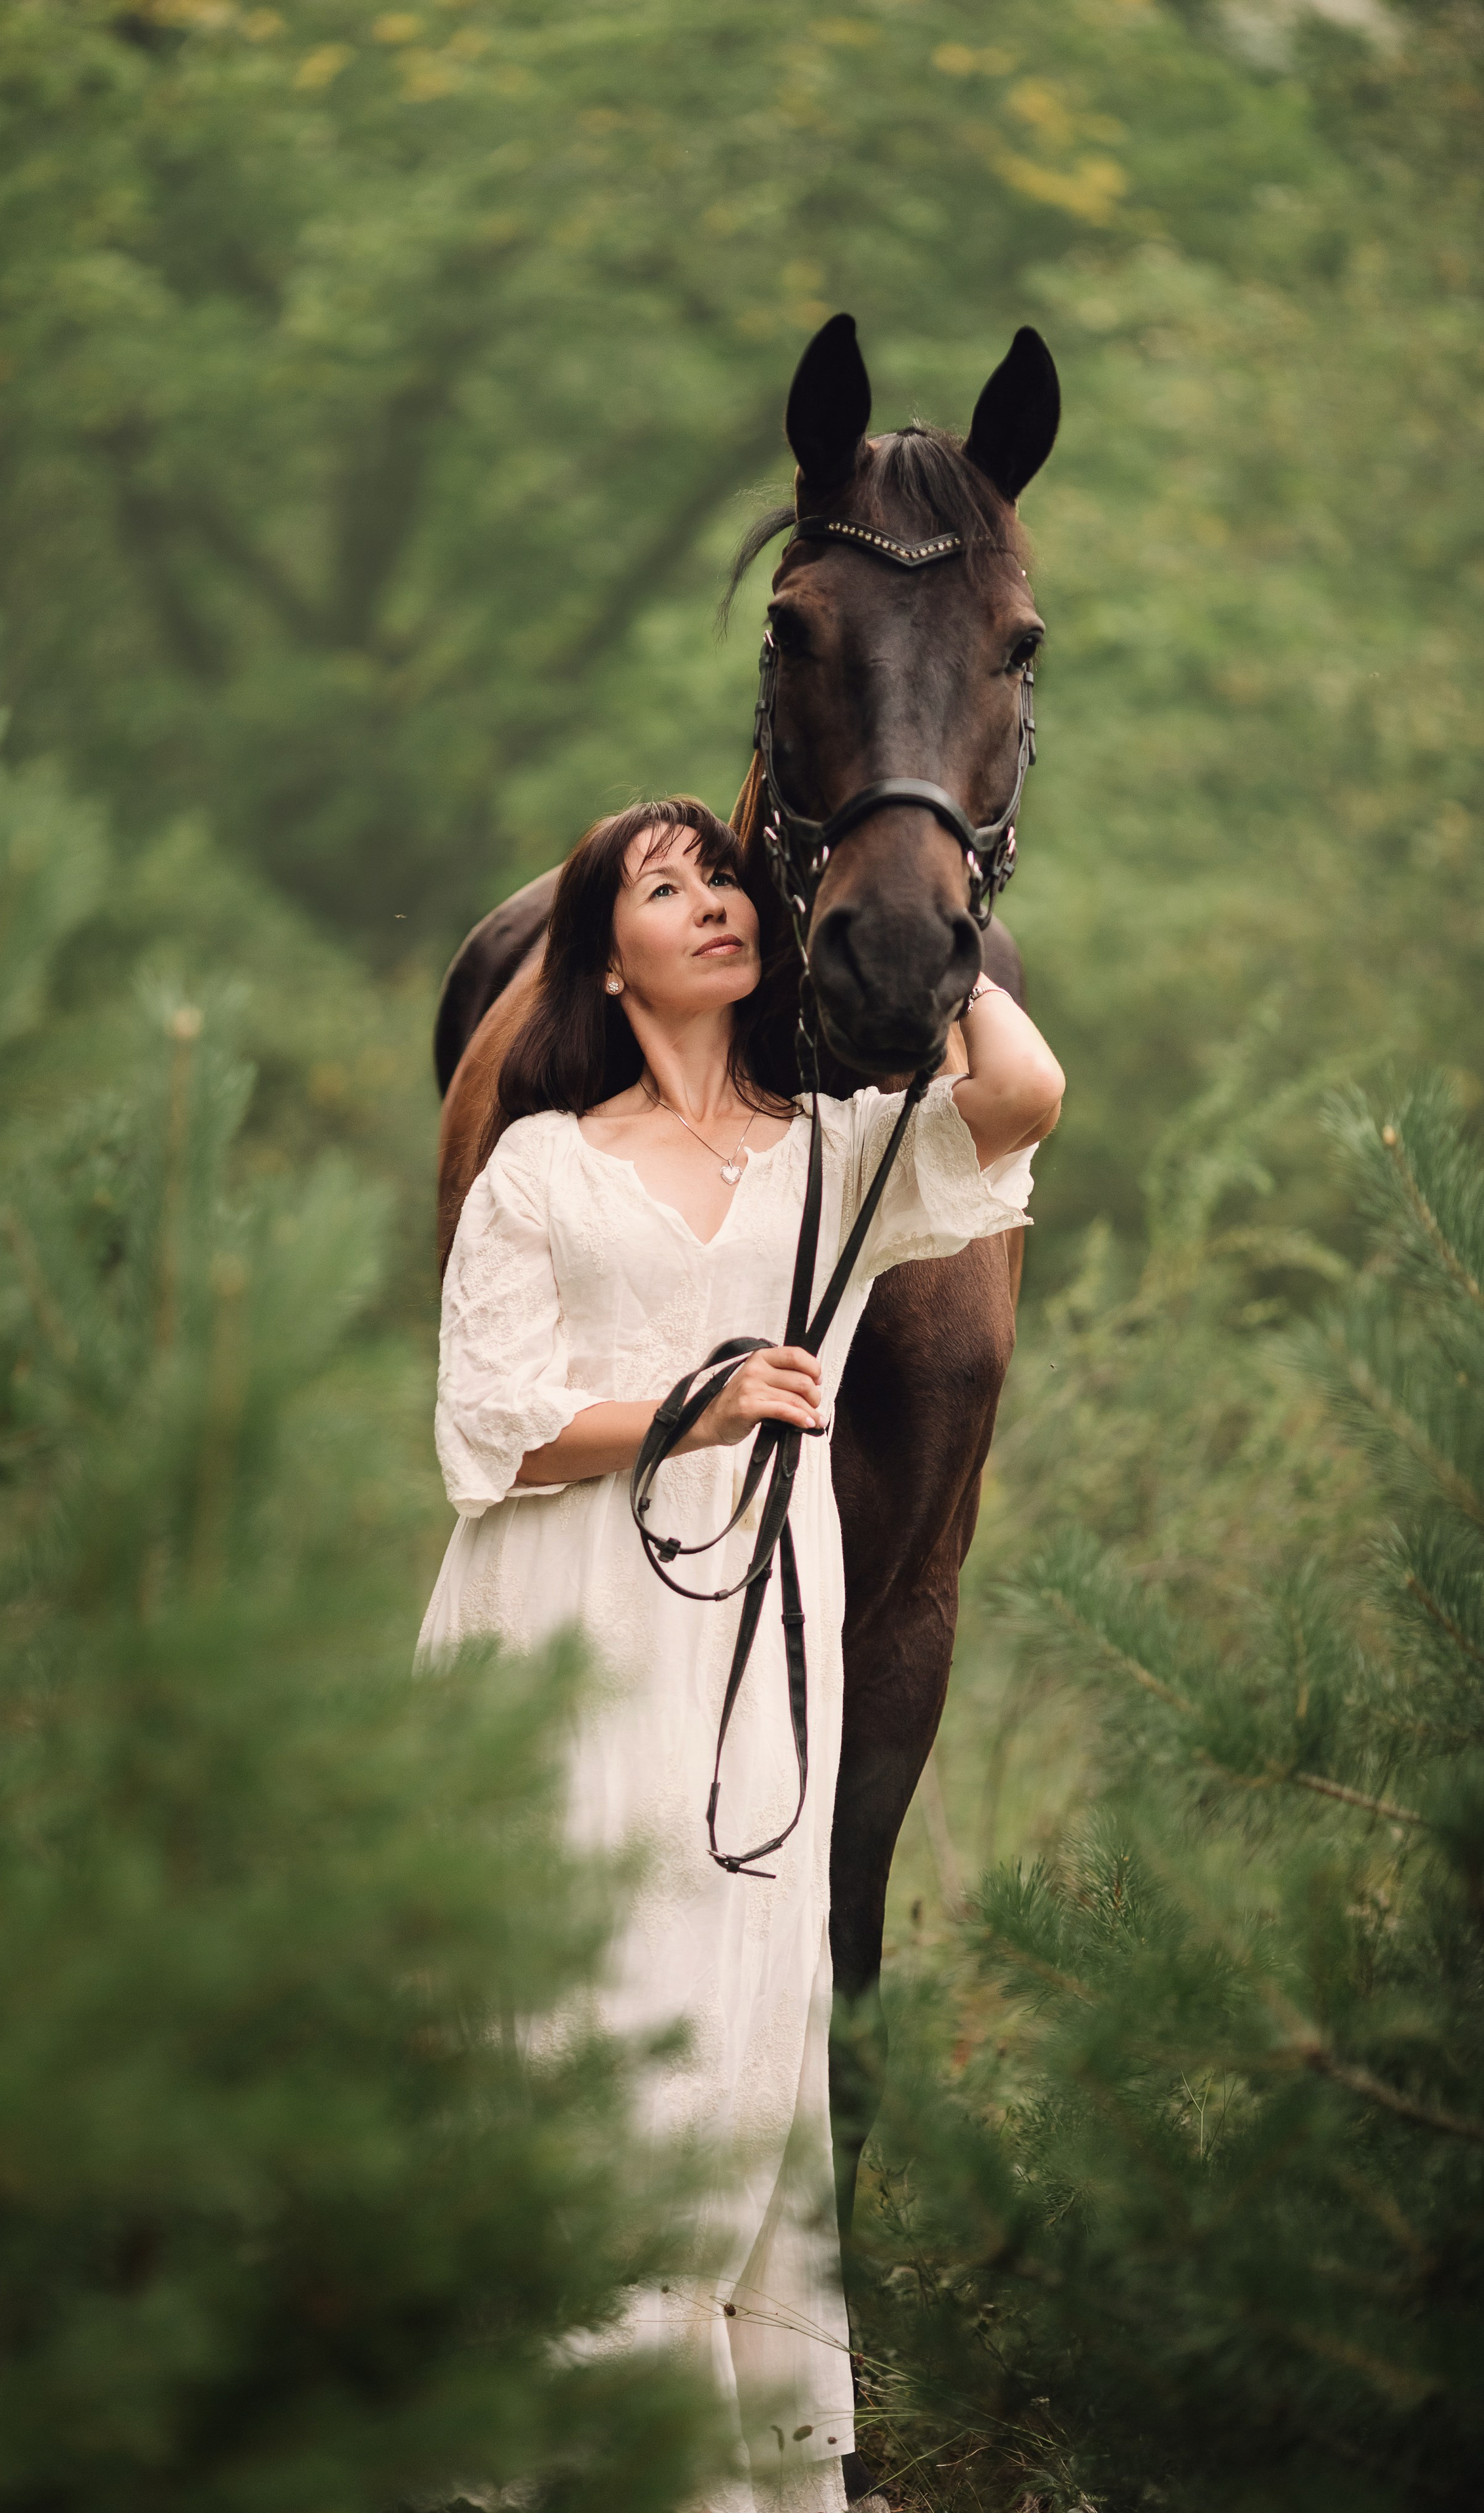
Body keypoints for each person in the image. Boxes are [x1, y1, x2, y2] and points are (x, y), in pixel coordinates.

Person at [418, 797, 1064, 2513]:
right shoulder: (541, 1165)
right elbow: (485, 1428)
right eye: (663, 884)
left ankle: (737, 2456)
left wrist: (950, 907)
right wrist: (689, 1410)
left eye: (723, 877)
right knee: (595, 2015)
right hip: (562, 1620)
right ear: (602, 955)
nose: (709, 902)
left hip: (747, 1641)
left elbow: (1024, 1096)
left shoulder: (830, 1154)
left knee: (745, 2016)